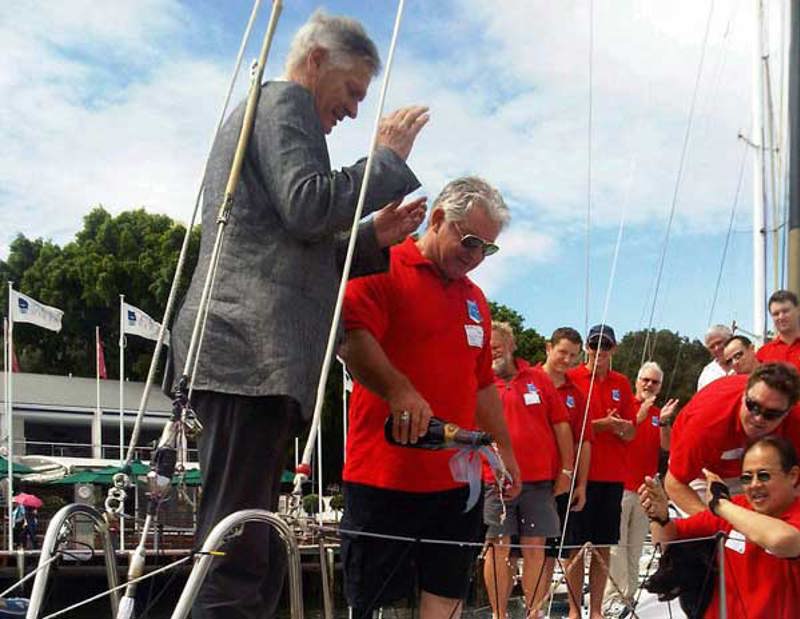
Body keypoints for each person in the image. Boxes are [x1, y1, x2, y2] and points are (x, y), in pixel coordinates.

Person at [170, 11, 429, 619]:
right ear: (316, 62)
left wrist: (371, 235)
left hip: (247, 357)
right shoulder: (285, 104)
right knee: (237, 548)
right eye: (352, 91)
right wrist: (385, 160)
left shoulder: (269, 111)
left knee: (245, 540)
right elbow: (308, 206)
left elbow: (292, 242)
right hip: (247, 355)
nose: (355, 111)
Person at [340, 176, 522, 619]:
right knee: (373, 605)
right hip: (384, 478)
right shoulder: (380, 265)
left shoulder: (475, 299)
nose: (476, 256)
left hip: (457, 486)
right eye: (471, 241)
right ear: (438, 218)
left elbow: (482, 386)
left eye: (487, 248)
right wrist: (400, 389)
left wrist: (506, 452)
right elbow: (350, 338)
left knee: (447, 598)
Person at [640, 436, 800, 618]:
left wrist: (720, 504)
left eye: (764, 475)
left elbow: (783, 540)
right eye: (746, 478)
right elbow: (665, 541)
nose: (754, 484)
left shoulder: (729, 510)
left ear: (793, 475)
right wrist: (659, 516)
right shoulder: (736, 508)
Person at [482, 321, 575, 619]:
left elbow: (561, 425)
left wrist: (566, 471)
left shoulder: (539, 379)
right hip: (497, 480)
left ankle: (533, 613)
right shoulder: (479, 383)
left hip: (539, 481)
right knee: (498, 547)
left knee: (535, 547)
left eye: (496, 344)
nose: (492, 350)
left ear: (511, 345)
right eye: (487, 346)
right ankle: (499, 614)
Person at [565, 324, 636, 619]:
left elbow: (632, 432)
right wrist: (601, 425)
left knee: (604, 545)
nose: (599, 351)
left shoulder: (622, 383)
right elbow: (565, 427)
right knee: (575, 547)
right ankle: (573, 610)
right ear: (586, 348)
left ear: (613, 349)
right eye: (594, 345)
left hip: (611, 476)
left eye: (605, 346)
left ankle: (595, 610)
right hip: (580, 475)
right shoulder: (572, 379)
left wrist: (622, 428)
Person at [665, 363, 800, 516]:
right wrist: (718, 526)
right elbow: (674, 483)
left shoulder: (796, 421)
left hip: (756, 474)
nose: (758, 418)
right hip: (701, 473)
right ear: (744, 395)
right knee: (713, 534)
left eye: (771, 414)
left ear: (787, 412)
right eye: (752, 405)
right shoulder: (707, 422)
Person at [602, 361, 678, 617]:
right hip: (619, 486)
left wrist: (665, 421)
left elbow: (667, 447)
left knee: (635, 548)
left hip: (644, 489)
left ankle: (628, 599)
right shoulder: (623, 408)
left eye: (654, 382)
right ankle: (612, 600)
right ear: (636, 380)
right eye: (645, 380)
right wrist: (641, 413)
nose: (649, 385)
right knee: (616, 547)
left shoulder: (658, 414)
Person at [539, 327, 591, 616]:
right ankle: (534, 608)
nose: (567, 360)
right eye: (562, 353)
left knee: (566, 547)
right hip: (530, 479)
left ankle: (573, 611)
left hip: (563, 482)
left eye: (573, 355)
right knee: (529, 550)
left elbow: (583, 440)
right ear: (548, 348)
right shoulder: (527, 382)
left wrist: (581, 484)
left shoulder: (577, 394)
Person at [757, 289, 800, 371]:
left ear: (798, 310)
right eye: (776, 314)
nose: (781, 317)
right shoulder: (763, 354)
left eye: (785, 311)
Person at [696, 324, 732, 390]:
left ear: (730, 339)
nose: (717, 348)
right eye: (712, 347)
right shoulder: (707, 375)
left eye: (719, 343)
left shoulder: (746, 362)